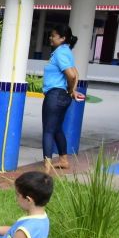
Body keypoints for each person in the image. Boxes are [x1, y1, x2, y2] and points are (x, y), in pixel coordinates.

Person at [41, 24, 81, 174]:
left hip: (55, 95)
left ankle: (46, 168)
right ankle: (63, 160)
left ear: (63, 38)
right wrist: (72, 91)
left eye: (53, 36)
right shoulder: (65, 52)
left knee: (48, 131)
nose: (50, 38)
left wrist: (71, 90)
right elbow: (76, 73)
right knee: (57, 128)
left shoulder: (60, 53)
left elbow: (71, 75)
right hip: (62, 96)